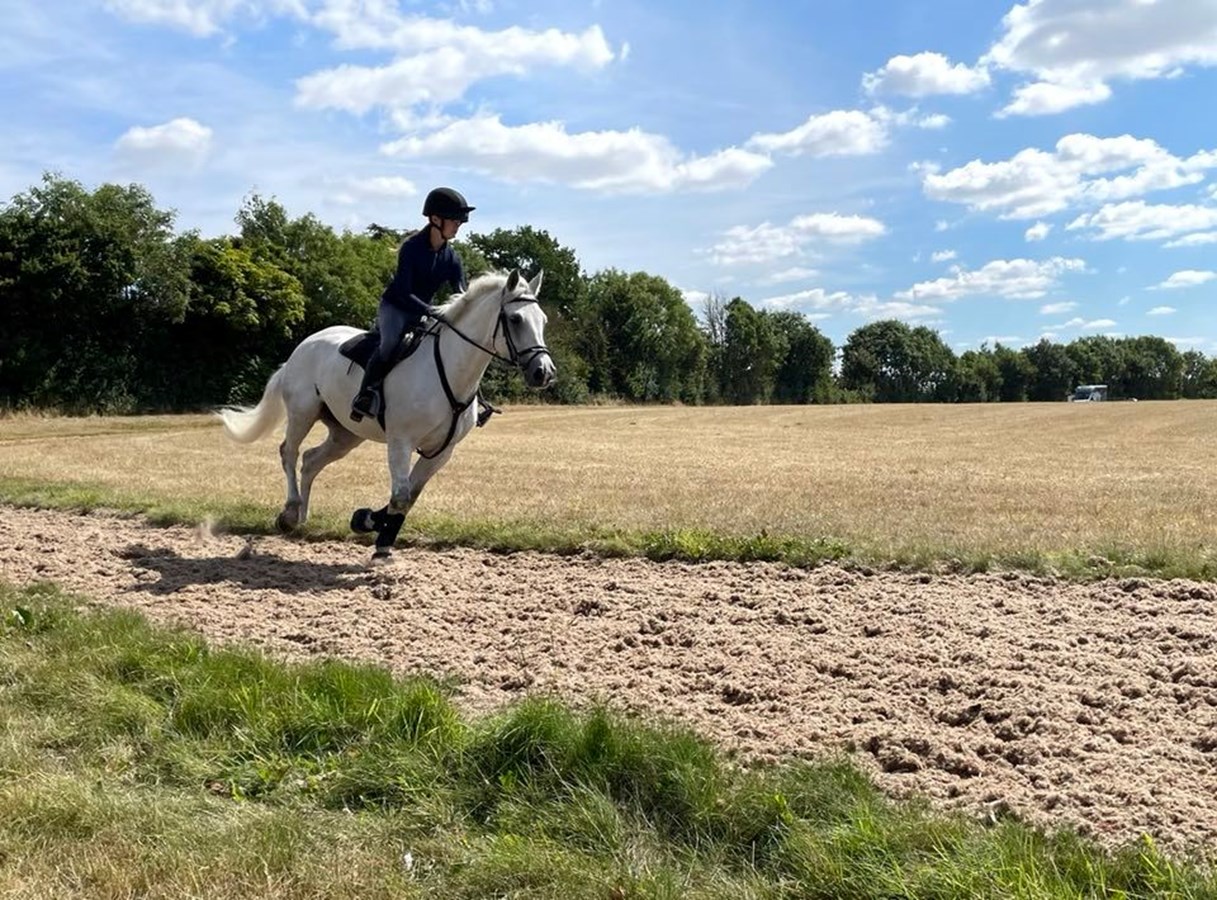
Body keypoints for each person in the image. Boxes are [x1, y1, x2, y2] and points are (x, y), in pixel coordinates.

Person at [350, 186, 474, 422]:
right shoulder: (411, 249)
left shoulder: (452, 258)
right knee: (389, 344)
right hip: (396, 307)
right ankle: (365, 395)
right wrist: (432, 312)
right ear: (435, 219)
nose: (458, 226)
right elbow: (405, 293)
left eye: (460, 222)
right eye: (455, 220)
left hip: (424, 312)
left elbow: (461, 292)